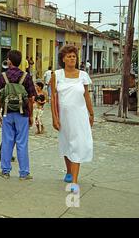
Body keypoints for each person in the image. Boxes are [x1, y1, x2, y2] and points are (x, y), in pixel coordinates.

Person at [51, 45, 94, 193]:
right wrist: (54, 118)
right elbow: (53, 98)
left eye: (74, 56)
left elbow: (86, 95)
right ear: (63, 59)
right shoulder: (56, 75)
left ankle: (74, 182)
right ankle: (69, 172)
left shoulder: (83, 75)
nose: (72, 58)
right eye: (69, 56)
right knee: (66, 144)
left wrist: (91, 113)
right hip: (64, 117)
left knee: (77, 145)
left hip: (79, 116)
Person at [0, 50, 37, 180]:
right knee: (22, 143)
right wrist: (30, 115)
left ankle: (5, 171)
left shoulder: (3, 77)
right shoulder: (26, 77)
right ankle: (24, 173)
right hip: (22, 114)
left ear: (9, 61)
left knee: (7, 141)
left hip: (7, 113)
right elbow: (30, 98)